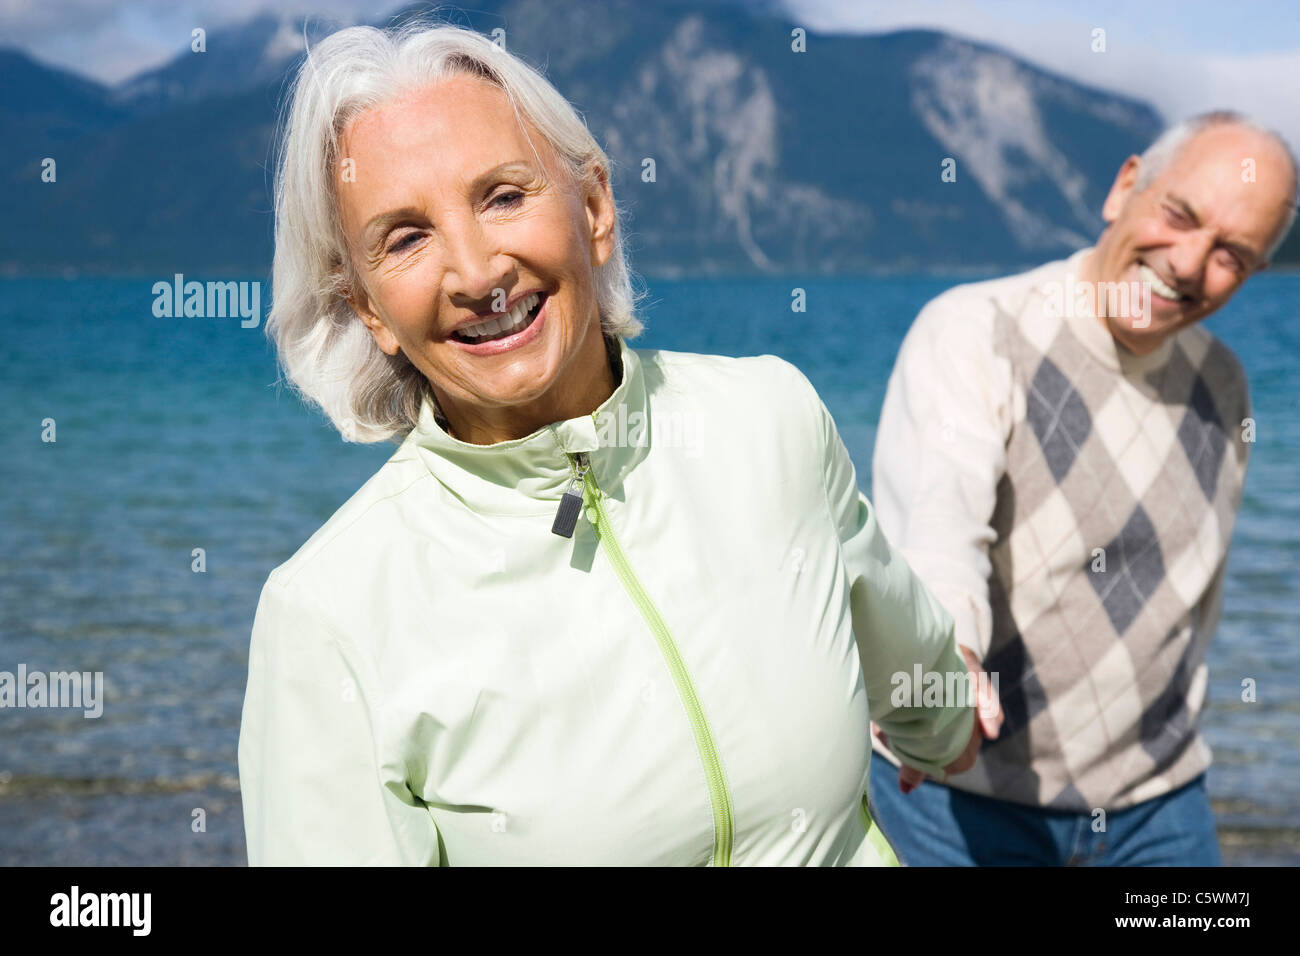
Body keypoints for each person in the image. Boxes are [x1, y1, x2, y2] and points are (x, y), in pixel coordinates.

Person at [237, 19, 981, 866]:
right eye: (406, 238)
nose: (477, 274)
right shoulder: (328, 616)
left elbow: (904, 641)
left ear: (593, 210)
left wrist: (948, 726)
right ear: (370, 310)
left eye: (504, 197)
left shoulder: (770, 417)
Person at [868, 111, 1298, 866]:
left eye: (1232, 254)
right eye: (1179, 215)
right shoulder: (974, 329)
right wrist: (951, 660)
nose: (1190, 263)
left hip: (1158, 807)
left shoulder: (1222, 386)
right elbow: (938, 524)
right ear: (1125, 185)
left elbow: (1193, 606)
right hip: (951, 796)